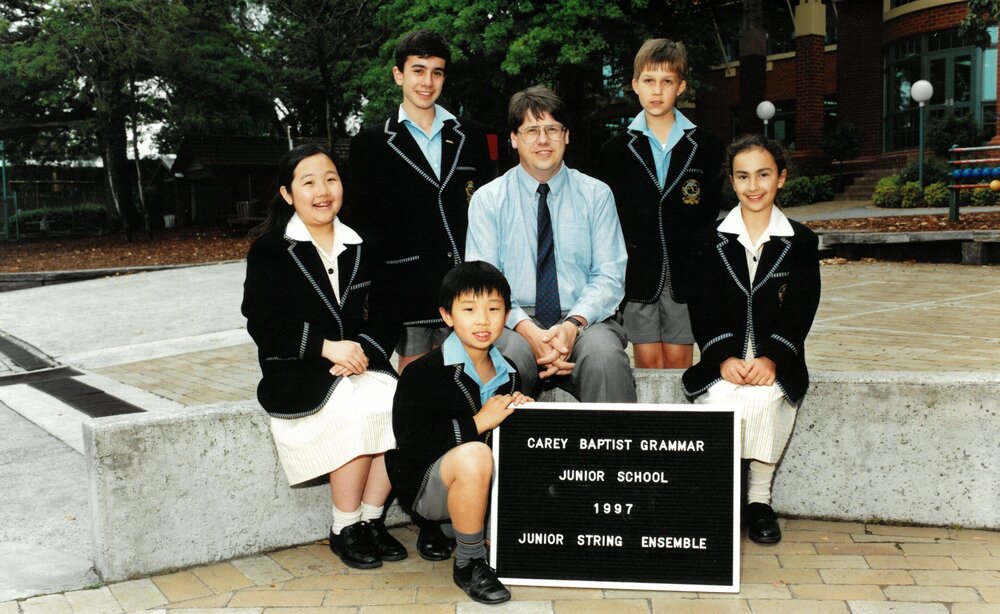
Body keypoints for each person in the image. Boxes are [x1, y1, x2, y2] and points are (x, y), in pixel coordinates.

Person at [242, 144, 406, 569]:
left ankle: (371, 519)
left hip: (360, 364)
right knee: (352, 408)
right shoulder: (271, 250)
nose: (323, 190)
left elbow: (389, 314)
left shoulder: (363, 244)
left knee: (400, 404)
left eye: (331, 178)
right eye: (309, 181)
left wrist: (363, 352)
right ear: (287, 194)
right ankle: (343, 526)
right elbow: (263, 322)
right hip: (298, 371)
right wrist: (325, 347)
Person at [682, 135, 821, 544]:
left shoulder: (801, 241)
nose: (754, 186)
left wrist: (773, 358)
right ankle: (724, 498)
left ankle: (758, 502)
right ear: (731, 181)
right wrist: (724, 356)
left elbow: (801, 308)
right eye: (743, 177)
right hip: (723, 357)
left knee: (765, 398)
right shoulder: (710, 239)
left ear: (782, 178)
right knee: (725, 399)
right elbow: (702, 305)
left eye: (764, 175)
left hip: (776, 358)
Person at [466, 85, 635, 403]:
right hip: (511, 322)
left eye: (552, 129)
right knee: (504, 359)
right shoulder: (488, 200)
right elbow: (484, 284)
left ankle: (615, 452)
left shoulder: (596, 195)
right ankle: (494, 453)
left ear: (566, 135)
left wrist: (572, 326)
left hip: (586, 320)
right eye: (531, 130)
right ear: (514, 139)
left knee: (604, 356)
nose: (543, 140)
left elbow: (609, 276)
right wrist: (529, 330)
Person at [347, 28, 495, 372]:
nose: (427, 81)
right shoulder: (370, 144)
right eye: (418, 70)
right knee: (416, 379)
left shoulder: (472, 136)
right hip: (404, 290)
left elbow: (489, 208)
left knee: (471, 377)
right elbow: (362, 224)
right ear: (399, 74)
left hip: (466, 286)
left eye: (436, 72)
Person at [386, 261, 531, 605]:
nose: (483, 320)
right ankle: (469, 562)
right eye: (469, 309)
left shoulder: (510, 375)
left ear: (506, 314)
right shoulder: (423, 372)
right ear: (447, 315)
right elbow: (413, 444)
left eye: (494, 309)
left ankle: (464, 532)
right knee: (474, 453)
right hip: (428, 490)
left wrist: (523, 415)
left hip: (478, 487)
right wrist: (477, 424)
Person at [597, 38, 724, 369]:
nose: (657, 90)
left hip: (687, 276)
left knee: (679, 368)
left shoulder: (706, 146)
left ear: (680, 86)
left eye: (667, 81)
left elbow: (710, 216)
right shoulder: (615, 150)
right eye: (649, 81)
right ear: (635, 84)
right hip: (639, 275)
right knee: (649, 367)